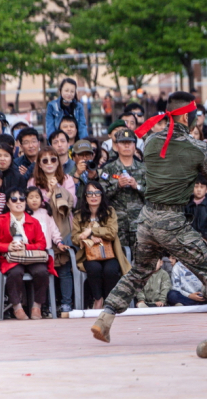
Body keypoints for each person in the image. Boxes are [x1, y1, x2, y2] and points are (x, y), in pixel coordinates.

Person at [91, 91, 207, 343]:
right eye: (196, 116)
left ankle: (105, 317)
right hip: (172, 220)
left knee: (139, 271)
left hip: (146, 218)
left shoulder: (152, 141)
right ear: (188, 118)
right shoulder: (197, 147)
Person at [0, 187, 56, 320]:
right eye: (14, 199)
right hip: (11, 258)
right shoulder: (1, 220)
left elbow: (42, 244)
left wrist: (26, 247)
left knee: (41, 271)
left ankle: (37, 306)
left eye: (22, 199)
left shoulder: (33, 221)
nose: (19, 202)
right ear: (8, 203)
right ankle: (17, 307)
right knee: (15, 273)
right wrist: (8, 246)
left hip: (31, 257)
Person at [72, 182, 132, 310]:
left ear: (101, 195)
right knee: (94, 268)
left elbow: (111, 232)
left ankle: (109, 300)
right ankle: (98, 300)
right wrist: (88, 237)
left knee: (110, 270)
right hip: (89, 255)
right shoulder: (78, 215)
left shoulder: (110, 212)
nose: (94, 196)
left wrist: (92, 231)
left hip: (110, 254)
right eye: (90, 193)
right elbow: (75, 238)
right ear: (85, 196)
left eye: (97, 193)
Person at [26, 186, 72, 312]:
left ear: (42, 199)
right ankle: (42, 305)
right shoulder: (24, 215)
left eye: (37, 197)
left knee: (50, 276)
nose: (34, 200)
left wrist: (59, 242)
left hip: (45, 252)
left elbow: (54, 231)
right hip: (29, 253)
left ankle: (52, 304)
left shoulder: (46, 213)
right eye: (31, 198)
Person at [100, 129, 146, 250]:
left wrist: (137, 187)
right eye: (123, 142)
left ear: (135, 146)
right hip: (117, 224)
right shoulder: (109, 169)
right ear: (117, 146)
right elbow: (100, 196)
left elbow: (152, 195)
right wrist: (117, 186)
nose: (126, 145)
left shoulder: (143, 169)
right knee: (120, 260)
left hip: (139, 224)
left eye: (130, 143)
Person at [71, 140, 99, 207]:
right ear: (74, 157)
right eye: (80, 155)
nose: (84, 158)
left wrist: (95, 177)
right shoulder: (68, 174)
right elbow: (70, 195)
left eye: (88, 155)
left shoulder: (100, 172)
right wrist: (77, 174)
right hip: (78, 211)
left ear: (92, 156)